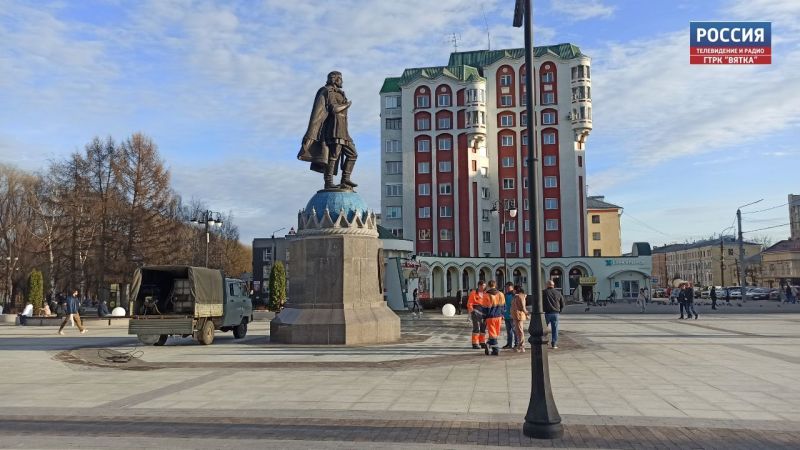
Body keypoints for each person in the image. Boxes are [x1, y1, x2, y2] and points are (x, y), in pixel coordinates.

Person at [298, 71, 359, 190]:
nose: (342, 81)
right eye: (340, 79)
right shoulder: (329, 91)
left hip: (343, 129)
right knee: (334, 156)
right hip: (334, 129)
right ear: (335, 79)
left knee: (353, 154)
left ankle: (345, 179)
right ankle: (328, 182)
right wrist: (347, 105)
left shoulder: (340, 93)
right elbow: (334, 109)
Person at [482, 280, 505, 356]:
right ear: (495, 285)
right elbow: (504, 306)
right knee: (495, 333)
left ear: (488, 286)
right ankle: (489, 344)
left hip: (490, 317)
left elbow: (485, 308)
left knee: (492, 334)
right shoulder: (501, 294)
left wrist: (484, 317)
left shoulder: (486, 295)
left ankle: (495, 349)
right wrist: (502, 315)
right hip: (499, 316)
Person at [543, 280, 565, 349]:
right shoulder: (558, 293)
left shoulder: (544, 292)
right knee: (555, 329)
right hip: (555, 313)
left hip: (546, 313)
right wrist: (559, 311)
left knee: (543, 329)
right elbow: (562, 304)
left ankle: (544, 341)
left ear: (547, 285)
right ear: (553, 285)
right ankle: (554, 344)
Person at [467, 281, 487, 349]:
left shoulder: (486, 293)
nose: (483, 287)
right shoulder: (473, 293)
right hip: (476, 311)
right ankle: (475, 343)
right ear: (479, 286)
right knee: (476, 328)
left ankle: (482, 342)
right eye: (482, 286)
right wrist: (472, 311)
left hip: (484, 312)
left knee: (483, 328)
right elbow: (469, 303)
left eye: (484, 286)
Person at [511, 285, 530, 352]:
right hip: (516, 315)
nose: (513, 291)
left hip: (518, 315)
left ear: (516, 290)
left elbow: (522, 306)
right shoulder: (516, 296)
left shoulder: (520, 296)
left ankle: (521, 346)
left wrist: (526, 313)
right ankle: (520, 345)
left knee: (520, 331)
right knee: (518, 331)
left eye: (514, 289)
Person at [502, 282, 517, 349]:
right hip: (506, 315)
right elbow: (503, 305)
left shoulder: (514, 295)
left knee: (515, 330)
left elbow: (516, 305)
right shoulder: (505, 295)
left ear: (512, 287)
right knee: (509, 331)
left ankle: (516, 344)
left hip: (513, 315)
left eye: (508, 287)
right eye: (506, 287)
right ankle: (509, 344)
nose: (507, 288)